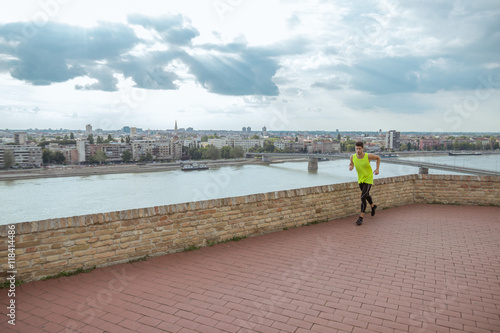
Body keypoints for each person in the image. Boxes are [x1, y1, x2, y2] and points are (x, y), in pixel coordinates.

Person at [349, 141, 380, 225]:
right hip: (360, 179)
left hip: (368, 178)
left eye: (359, 149)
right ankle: (373, 206)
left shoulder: (368, 156)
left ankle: (361, 217)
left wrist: (377, 169)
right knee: (366, 195)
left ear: (362, 148)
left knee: (363, 197)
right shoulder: (352, 157)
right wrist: (351, 167)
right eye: (356, 149)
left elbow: (378, 158)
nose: (358, 150)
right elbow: (351, 164)